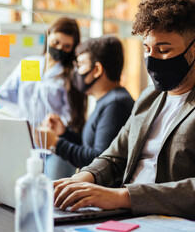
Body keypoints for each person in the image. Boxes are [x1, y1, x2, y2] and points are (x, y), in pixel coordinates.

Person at [51, 0, 195, 232]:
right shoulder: (148, 97)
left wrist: (121, 197)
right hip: (131, 218)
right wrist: (81, 180)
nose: (151, 59)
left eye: (163, 50)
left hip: (188, 227)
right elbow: (114, 157)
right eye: (147, 49)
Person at [0, 17, 87, 134]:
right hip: (21, 133)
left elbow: (71, 115)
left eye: (67, 46)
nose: (60, 48)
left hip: (50, 138)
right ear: (48, 36)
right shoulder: (30, 64)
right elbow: (6, 96)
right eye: (56, 42)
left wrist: (56, 126)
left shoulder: (69, 75)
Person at [38, 35, 134, 170]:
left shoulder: (115, 105)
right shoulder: (107, 101)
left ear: (97, 70)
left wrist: (56, 143)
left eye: (80, 65)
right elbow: (91, 147)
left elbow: (100, 160)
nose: (76, 71)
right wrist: (64, 133)